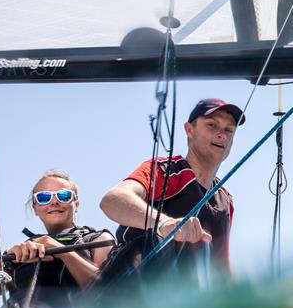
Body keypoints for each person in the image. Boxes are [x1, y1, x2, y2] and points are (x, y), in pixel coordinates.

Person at [97, 98, 244, 287]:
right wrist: (165, 224)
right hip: (122, 294)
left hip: (179, 306)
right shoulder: (168, 171)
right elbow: (112, 200)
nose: (221, 135)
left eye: (229, 130)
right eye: (211, 125)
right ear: (189, 130)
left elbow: (221, 268)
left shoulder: (225, 201)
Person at [0, 170, 114, 308]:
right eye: (44, 197)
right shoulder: (26, 249)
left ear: (76, 204)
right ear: (35, 209)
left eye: (63, 196)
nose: (54, 202)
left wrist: (64, 253)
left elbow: (109, 290)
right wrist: (8, 262)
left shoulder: (99, 239)